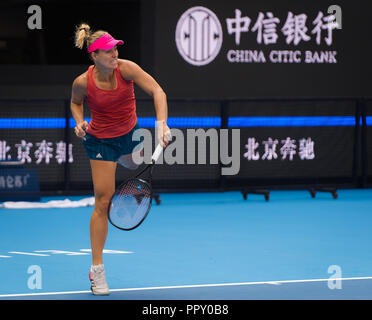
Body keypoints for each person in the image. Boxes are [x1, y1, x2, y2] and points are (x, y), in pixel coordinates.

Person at [70, 23, 171, 295]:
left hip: (129, 134)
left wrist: (162, 124)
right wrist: (79, 122)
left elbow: (158, 91)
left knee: (134, 162)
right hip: (100, 141)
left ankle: (127, 159)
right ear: (94, 56)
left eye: (115, 48)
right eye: (108, 51)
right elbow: (76, 103)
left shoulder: (127, 69)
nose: (114, 53)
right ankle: (98, 270)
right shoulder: (82, 82)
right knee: (104, 200)